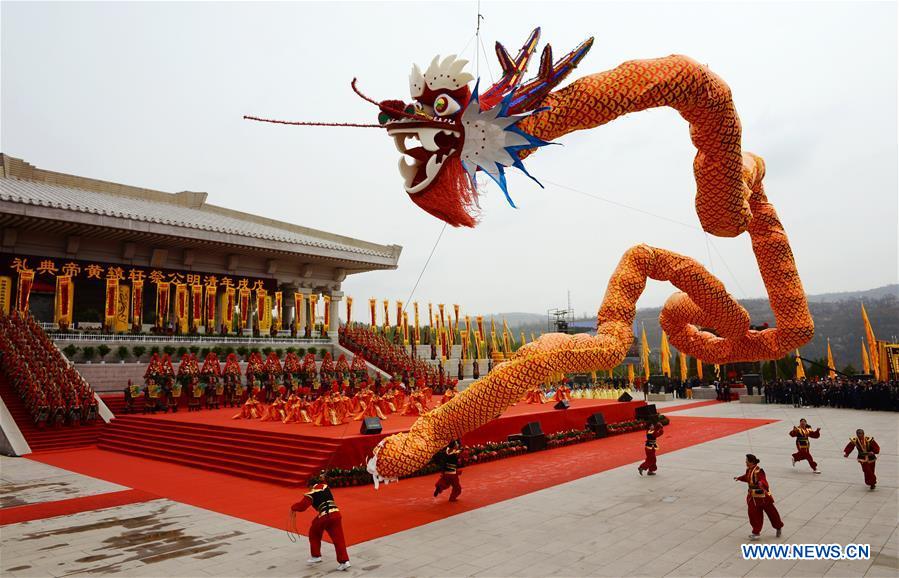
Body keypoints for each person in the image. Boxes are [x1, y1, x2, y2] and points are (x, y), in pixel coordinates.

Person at [291, 478, 351, 571]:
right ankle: (344, 561)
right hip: (336, 514)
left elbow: (302, 506)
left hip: (324, 516)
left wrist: (293, 507)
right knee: (339, 539)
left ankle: (316, 556)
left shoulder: (311, 493)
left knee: (314, 532)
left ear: (311, 486)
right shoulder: (326, 486)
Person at [734, 454, 784, 540]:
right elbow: (747, 478)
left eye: (747, 460)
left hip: (763, 496)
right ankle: (756, 532)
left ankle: (778, 526)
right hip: (753, 497)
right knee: (753, 514)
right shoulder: (749, 470)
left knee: (772, 513)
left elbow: (763, 479)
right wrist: (739, 478)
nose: (745, 462)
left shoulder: (759, 471)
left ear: (751, 462)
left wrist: (761, 483)